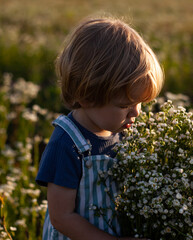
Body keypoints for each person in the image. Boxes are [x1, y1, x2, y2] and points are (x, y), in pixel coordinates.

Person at [36, 16, 164, 240]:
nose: (136, 113)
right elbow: (62, 217)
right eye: (125, 105)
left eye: (140, 103)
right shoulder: (66, 145)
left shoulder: (122, 133)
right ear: (87, 96)